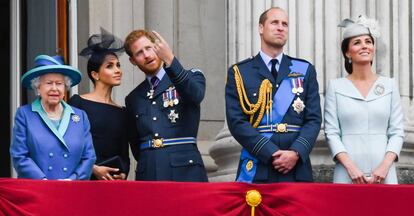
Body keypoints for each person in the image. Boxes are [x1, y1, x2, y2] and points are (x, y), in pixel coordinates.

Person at [225, 7, 321, 183]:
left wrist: (296, 152)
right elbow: (236, 121)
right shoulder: (240, 72)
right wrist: (269, 152)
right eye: (274, 22)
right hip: (259, 164)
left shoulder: (304, 70)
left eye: (285, 24)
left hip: (296, 168)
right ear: (261, 28)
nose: (281, 27)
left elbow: (313, 119)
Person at [324, 16, 404, 184]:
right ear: (347, 52)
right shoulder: (335, 86)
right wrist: (351, 168)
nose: (364, 46)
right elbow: (331, 132)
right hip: (347, 172)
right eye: (357, 42)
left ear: (374, 48)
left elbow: (396, 132)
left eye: (368, 41)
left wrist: (384, 166)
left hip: (384, 173)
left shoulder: (389, 85)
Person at [123, 29, 208, 181]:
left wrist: (170, 59)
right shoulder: (133, 98)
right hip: (149, 173)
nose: (147, 55)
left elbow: (196, 95)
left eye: (149, 48)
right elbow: (136, 145)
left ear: (157, 47)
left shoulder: (191, 76)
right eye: (139, 53)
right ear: (133, 61)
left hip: (185, 171)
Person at [10, 54, 96, 180]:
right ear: (38, 87)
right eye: (49, 83)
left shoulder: (80, 116)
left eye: (59, 83)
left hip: (72, 189)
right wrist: (44, 181)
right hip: (37, 189)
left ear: (65, 87)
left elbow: (89, 156)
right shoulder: (25, 115)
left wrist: (72, 180)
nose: (54, 88)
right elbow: (19, 155)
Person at [68, 30, 130, 180]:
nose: (118, 70)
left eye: (118, 65)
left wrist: (123, 173)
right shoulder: (78, 103)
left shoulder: (122, 111)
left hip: (111, 183)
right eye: (110, 66)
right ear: (95, 74)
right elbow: (68, 145)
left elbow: (124, 154)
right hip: (84, 179)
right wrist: (93, 169)